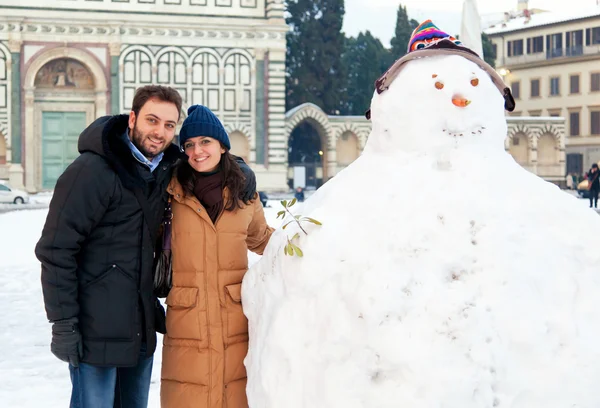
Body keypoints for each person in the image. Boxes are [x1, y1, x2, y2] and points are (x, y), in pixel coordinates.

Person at [35, 85, 257, 408]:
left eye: (169, 126)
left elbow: (206, 157)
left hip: (139, 330)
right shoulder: (92, 171)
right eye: (152, 121)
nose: (159, 133)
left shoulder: (165, 169)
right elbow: (56, 249)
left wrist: (240, 170)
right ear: (132, 118)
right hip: (94, 333)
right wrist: (63, 322)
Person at [160, 105, 274, 408]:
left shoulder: (244, 192)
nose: (197, 151)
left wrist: (312, 246)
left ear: (222, 145)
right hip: (187, 323)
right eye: (189, 144)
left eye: (205, 142)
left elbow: (261, 239)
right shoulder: (170, 192)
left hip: (234, 320)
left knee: (235, 397)